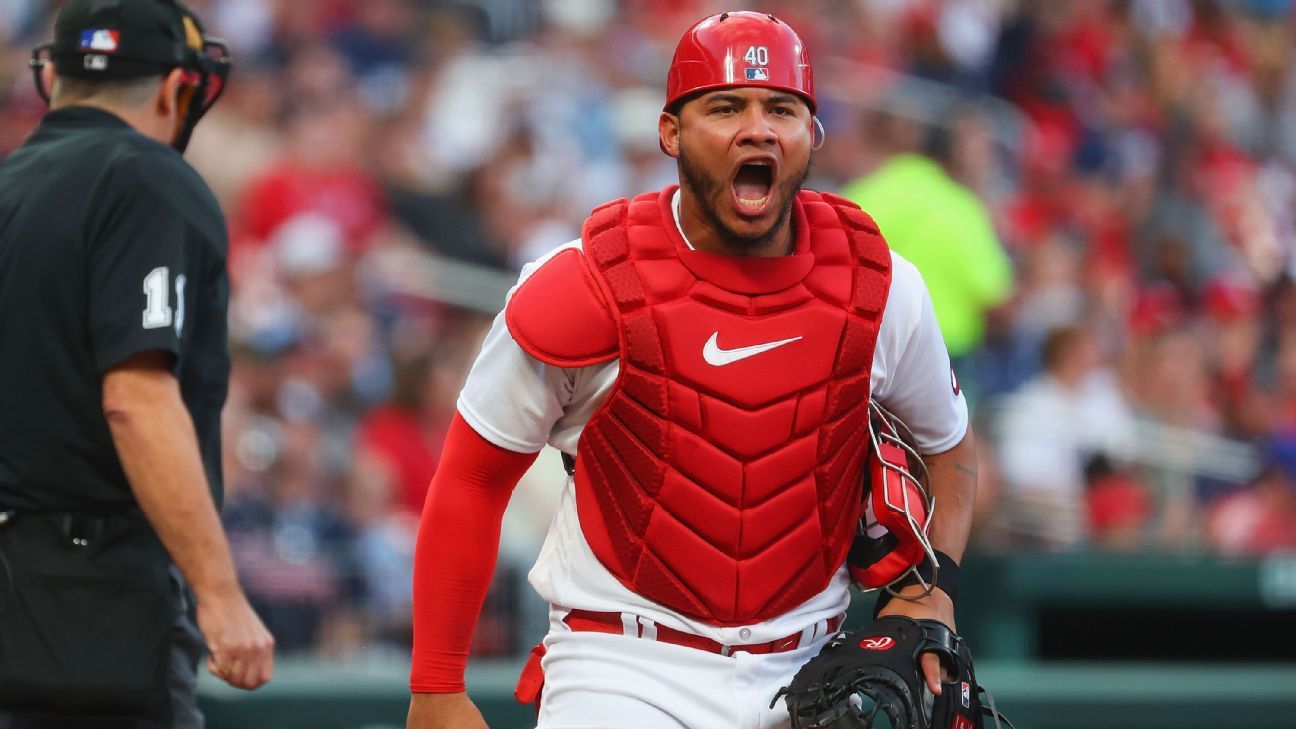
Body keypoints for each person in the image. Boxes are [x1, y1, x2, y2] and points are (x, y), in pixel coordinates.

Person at [407, 11, 977, 729]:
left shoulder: (880, 286)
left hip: (811, 673)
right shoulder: (586, 284)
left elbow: (950, 445)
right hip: (623, 666)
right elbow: (472, 476)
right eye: (725, 106)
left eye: (781, 108)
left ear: (813, 135)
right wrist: (436, 684)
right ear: (670, 132)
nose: (758, 128)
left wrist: (938, 585)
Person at [0, 1, 273, 726]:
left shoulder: (9, 186)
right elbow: (135, 397)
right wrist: (220, 595)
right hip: (92, 606)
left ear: (52, 76)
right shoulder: (146, 178)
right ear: (175, 87)